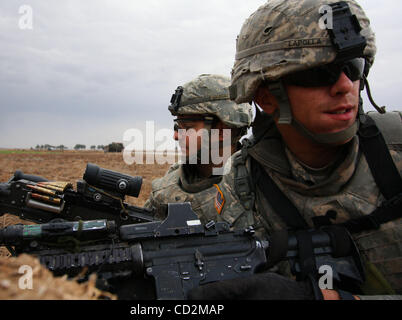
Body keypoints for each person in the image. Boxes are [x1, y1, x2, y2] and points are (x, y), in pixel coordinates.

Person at [189, 0, 401, 300]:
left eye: (353, 67)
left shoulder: (397, 153)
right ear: (266, 96)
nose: (344, 85)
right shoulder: (240, 189)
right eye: (319, 74)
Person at [144, 74, 253, 226]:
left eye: (187, 128)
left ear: (221, 131)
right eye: (177, 127)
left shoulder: (258, 183)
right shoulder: (168, 188)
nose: (176, 136)